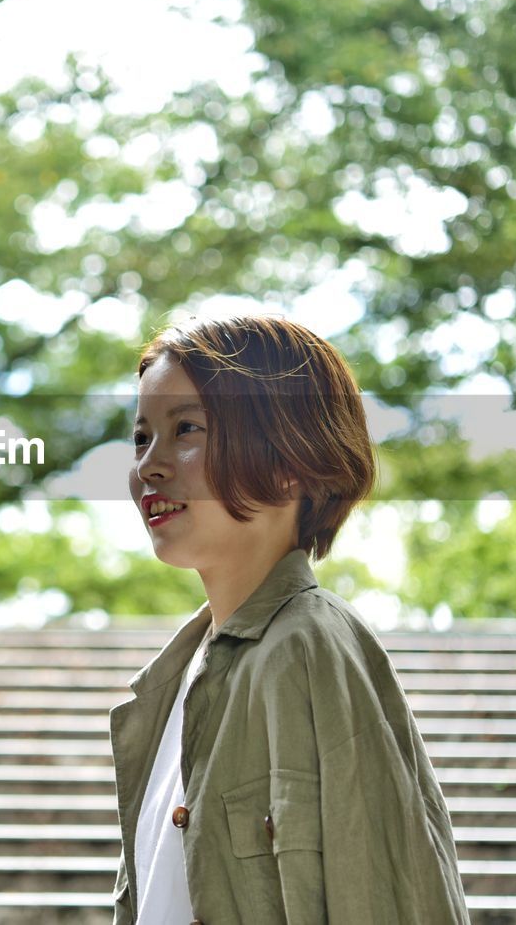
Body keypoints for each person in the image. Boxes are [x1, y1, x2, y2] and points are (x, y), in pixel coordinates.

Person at [110, 312, 470, 924]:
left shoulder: (309, 646)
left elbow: (385, 896)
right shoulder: (171, 683)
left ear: (290, 460)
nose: (149, 466)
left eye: (186, 429)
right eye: (142, 437)